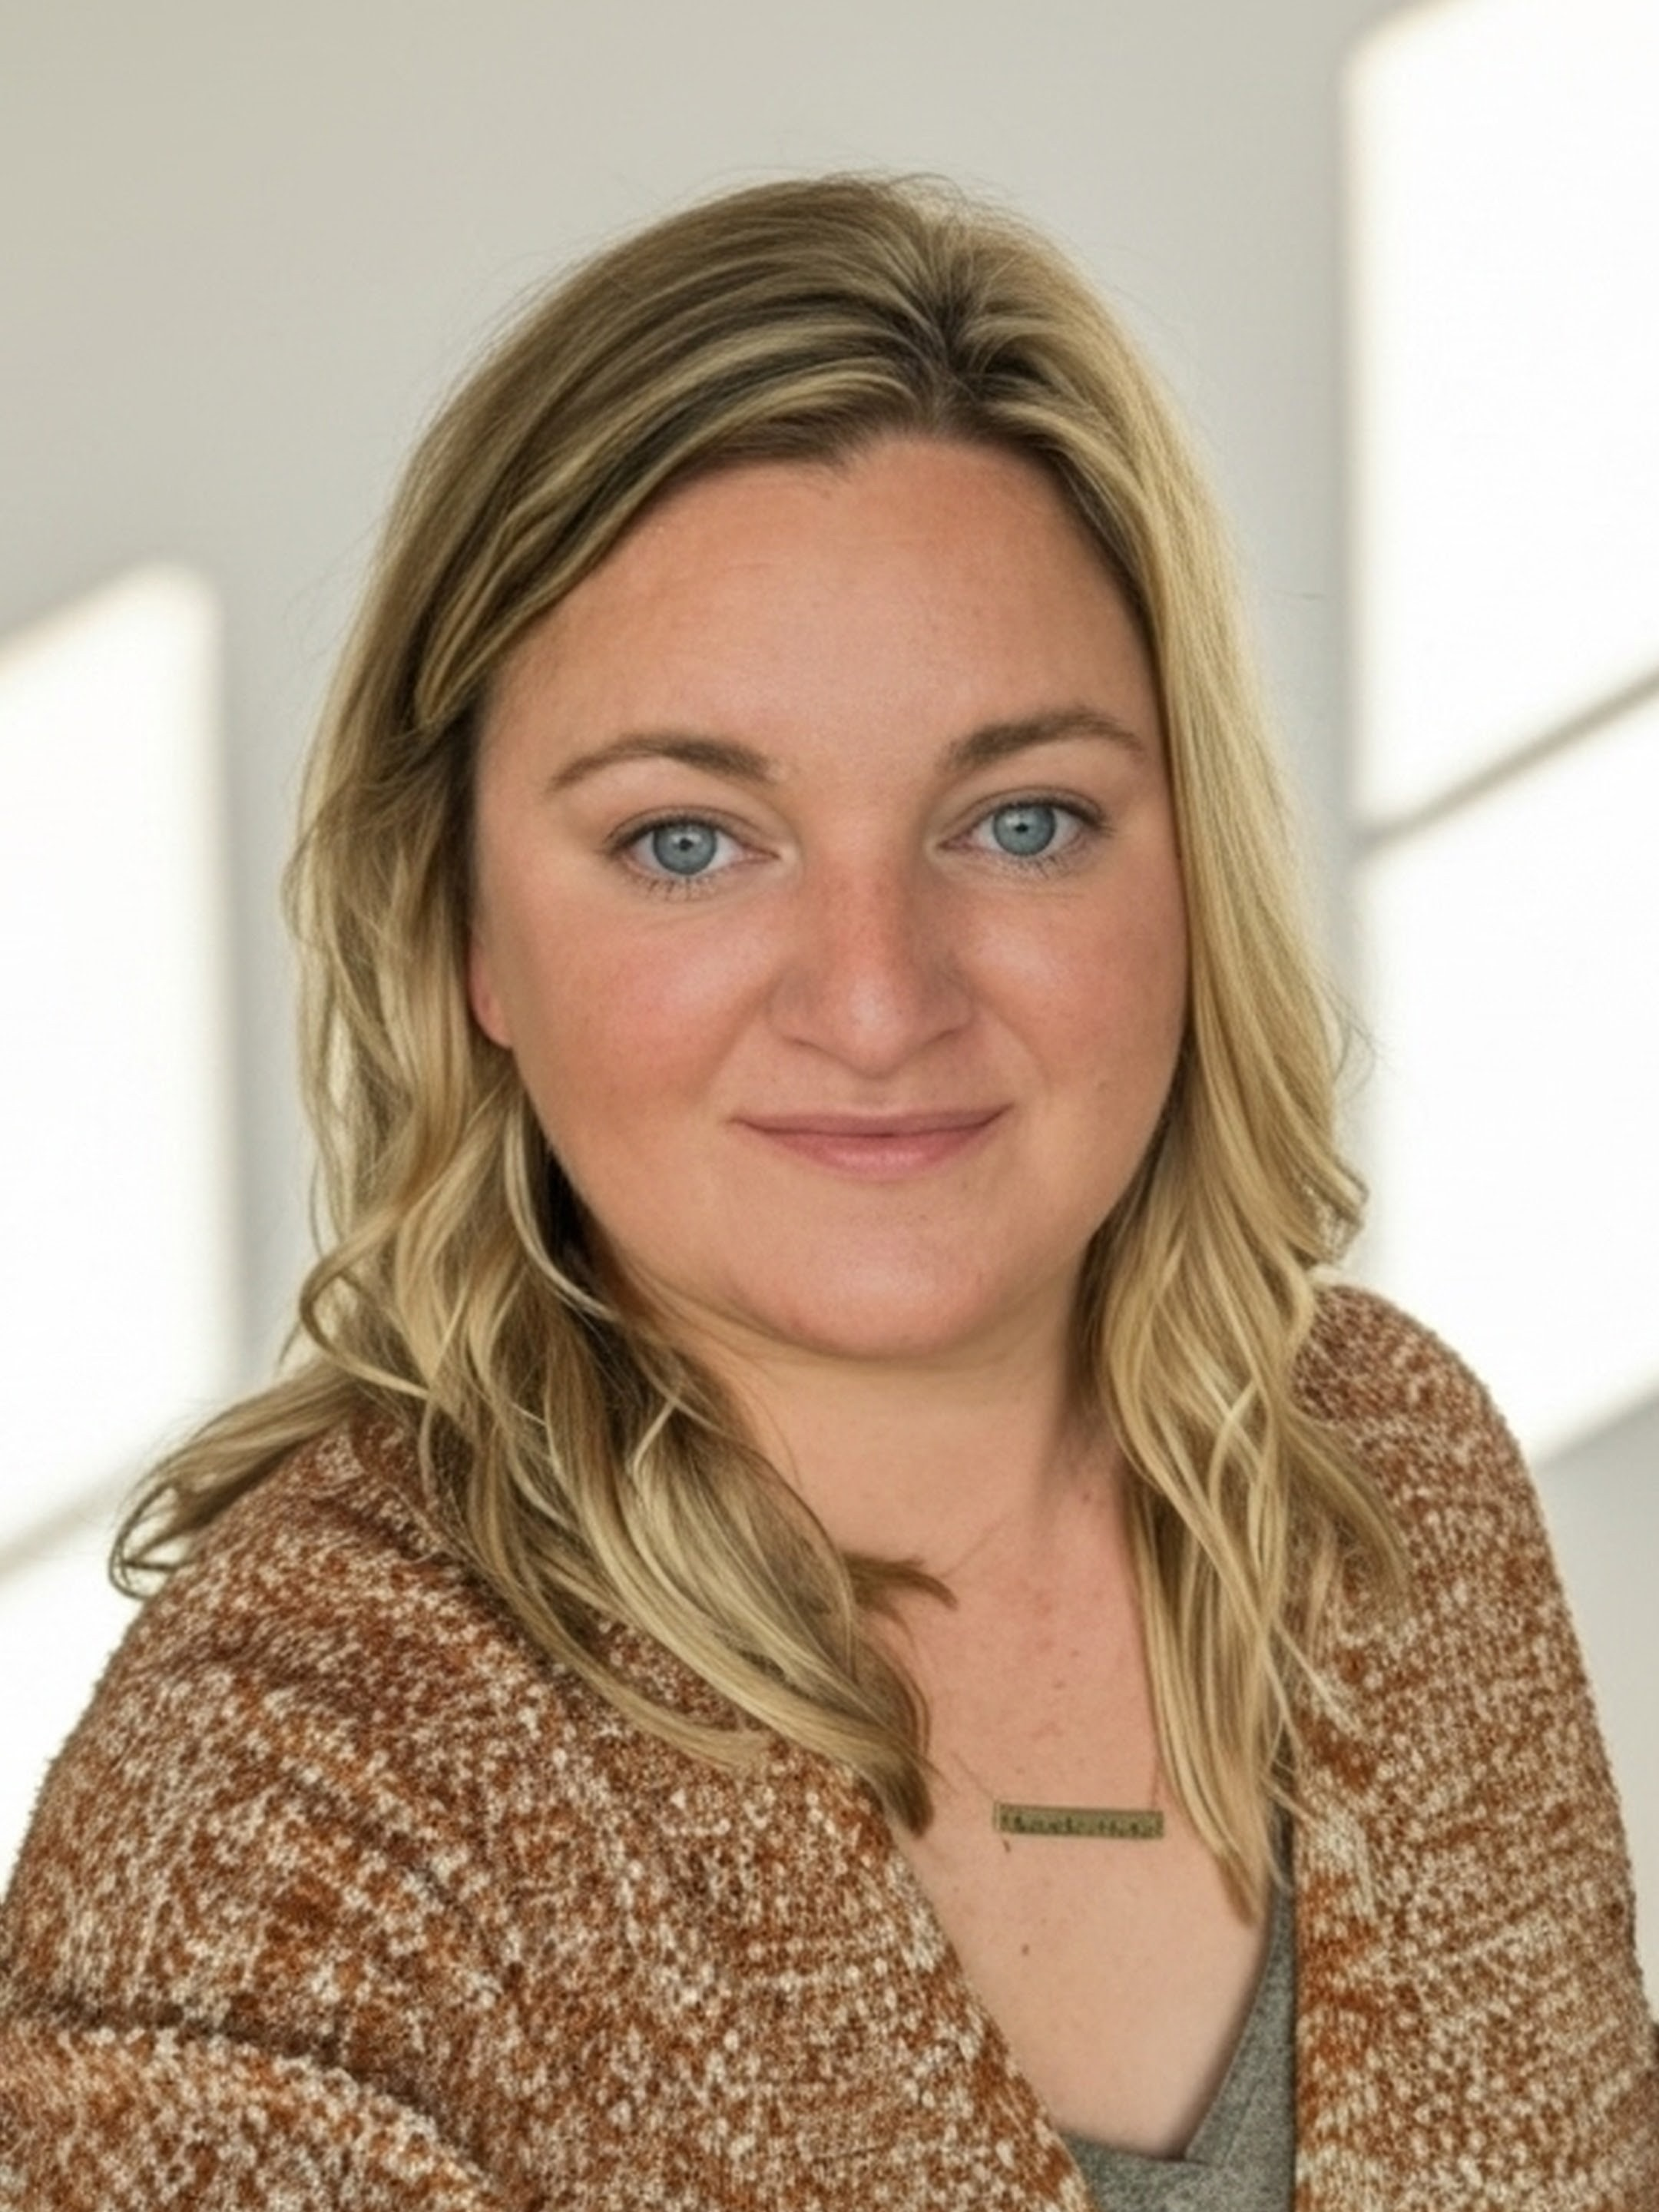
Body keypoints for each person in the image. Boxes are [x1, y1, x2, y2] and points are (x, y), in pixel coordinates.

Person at [0, 175, 1652, 2212]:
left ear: (1190, 867)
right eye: (692, 843)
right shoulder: (296, 1815)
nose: (879, 1001)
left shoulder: (1388, 1488)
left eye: (1023, 820)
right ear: (466, 937)